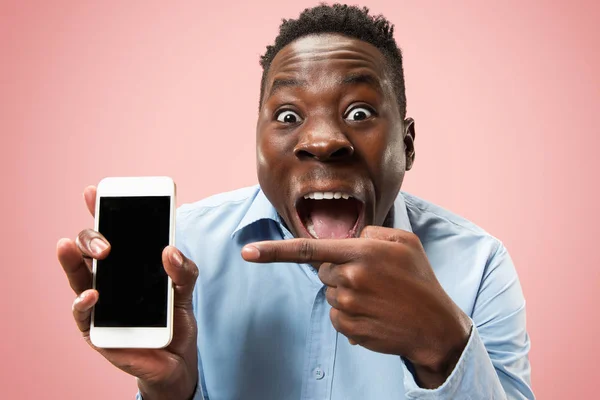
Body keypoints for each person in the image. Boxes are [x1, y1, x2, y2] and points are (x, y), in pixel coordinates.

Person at [57, 4, 534, 399]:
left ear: (407, 144)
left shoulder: (480, 264)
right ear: (258, 143)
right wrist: (170, 391)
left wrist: (445, 349)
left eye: (360, 111)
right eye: (287, 114)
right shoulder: (181, 251)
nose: (324, 141)